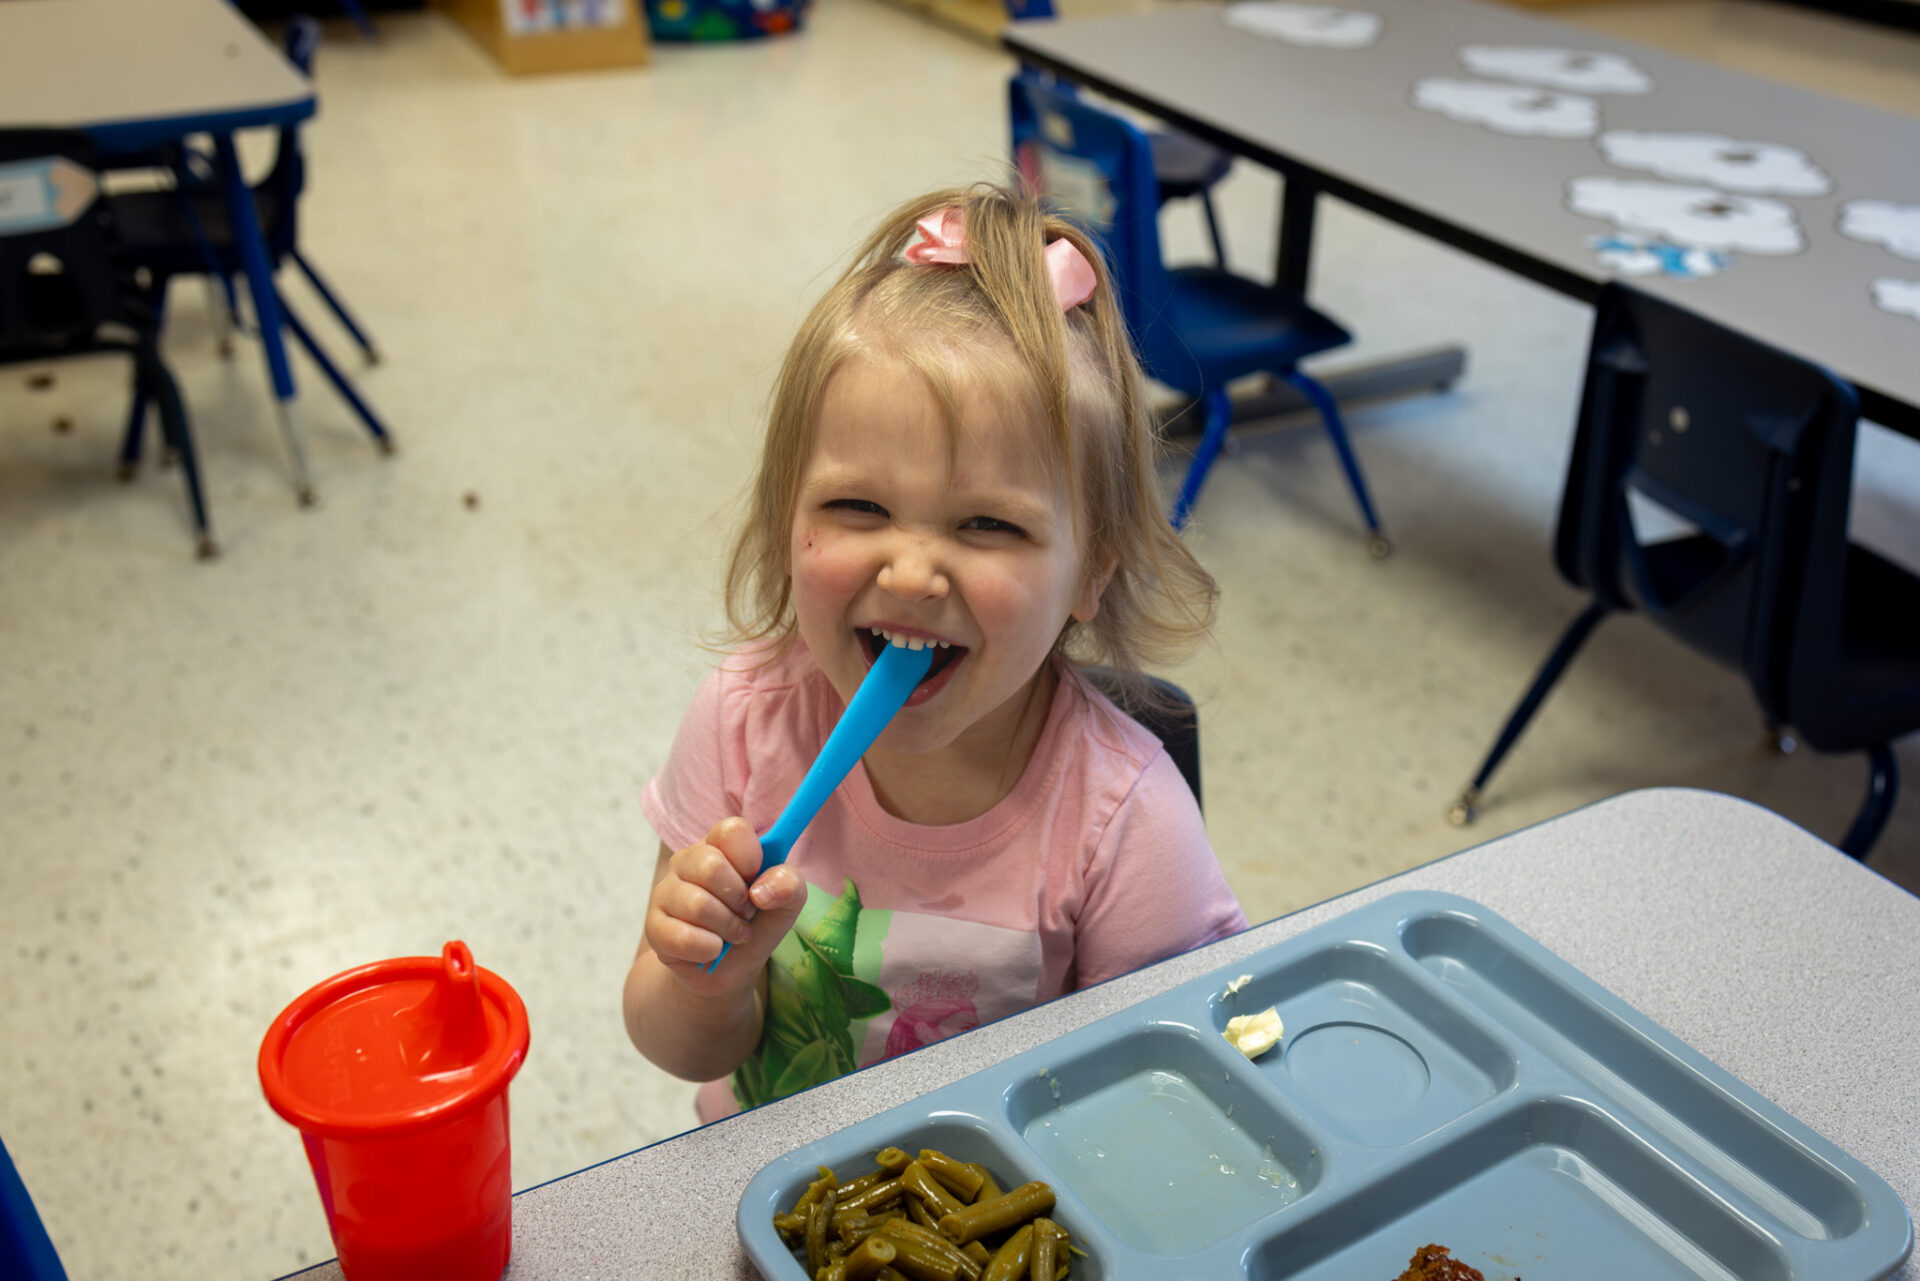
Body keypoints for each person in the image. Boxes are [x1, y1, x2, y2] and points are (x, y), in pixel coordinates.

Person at [623, 183, 1246, 1122]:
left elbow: (1165, 1094)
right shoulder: (744, 719)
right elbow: (675, 1044)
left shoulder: (1124, 821)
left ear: (1090, 576)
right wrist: (706, 983)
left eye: (989, 523)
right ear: (787, 519)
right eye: (857, 507)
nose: (912, 573)